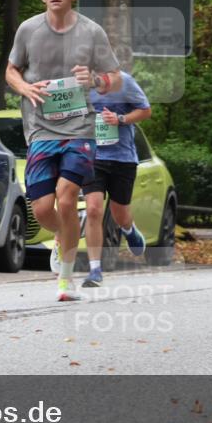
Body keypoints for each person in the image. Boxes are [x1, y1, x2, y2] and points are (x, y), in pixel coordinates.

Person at [5, 0, 122, 301]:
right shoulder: (28, 30)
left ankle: (65, 281)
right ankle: (63, 235)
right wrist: (25, 88)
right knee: (42, 210)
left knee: (68, 196)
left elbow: (114, 77)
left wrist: (96, 80)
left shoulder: (92, 33)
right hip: (41, 129)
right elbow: (11, 71)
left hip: (80, 128)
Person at [82, 71, 152, 288]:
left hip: (122, 158)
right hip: (93, 158)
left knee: (119, 213)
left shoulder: (124, 82)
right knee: (93, 209)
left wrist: (120, 119)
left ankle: (129, 231)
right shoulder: (81, 85)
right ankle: (95, 269)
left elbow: (145, 111)